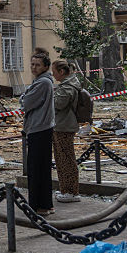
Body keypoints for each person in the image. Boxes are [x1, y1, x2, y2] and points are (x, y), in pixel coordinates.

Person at [20, 50, 55, 215]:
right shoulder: (42, 81)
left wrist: (23, 98)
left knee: (36, 169)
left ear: (45, 67)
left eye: (37, 65)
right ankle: (45, 203)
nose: (34, 67)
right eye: (32, 64)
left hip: (39, 128)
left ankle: (37, 206)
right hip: (41, 127)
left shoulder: (42, 83)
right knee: (41, 168)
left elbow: (26, 102)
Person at [50, 59, 82, 203]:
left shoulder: (68, 87)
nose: (53, 74)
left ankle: (71, 191)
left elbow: (58, 104)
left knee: (65, 160)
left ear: (62, 72)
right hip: (63, 125)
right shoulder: (69, 83)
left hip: (64, 126)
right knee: (62, 159)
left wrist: (49, 97)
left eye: (54, 72)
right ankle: (66, 189)